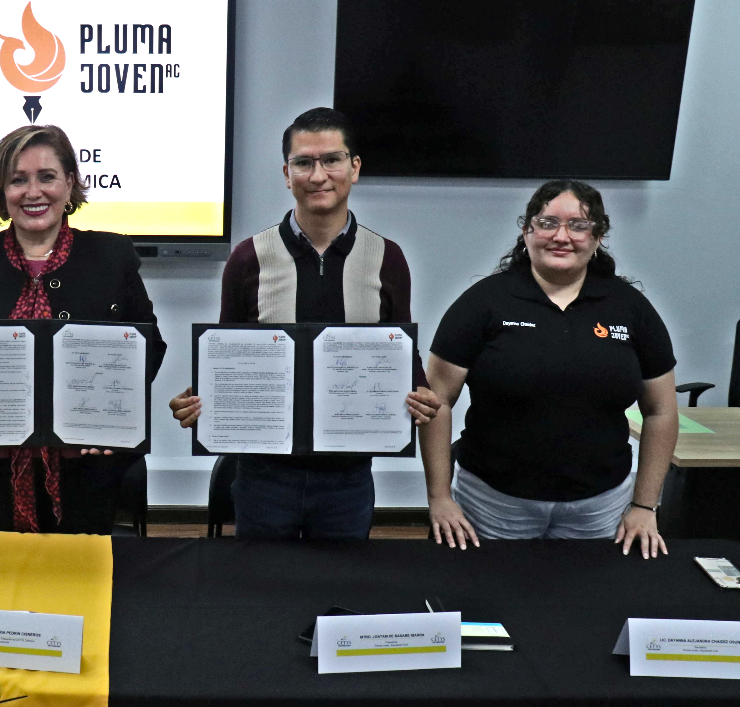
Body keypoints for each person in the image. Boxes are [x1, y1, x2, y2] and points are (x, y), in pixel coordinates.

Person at [169, 107, 440, 539]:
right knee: (261, 595)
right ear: (286, 173)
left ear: (355, 168)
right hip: (263, 478)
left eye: (332, 159)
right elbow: (224, 360)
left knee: (338, 593)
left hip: (348, 480)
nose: (318, 175)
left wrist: (420, 394)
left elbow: (402, 358)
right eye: (304, 163)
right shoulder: (247, 258)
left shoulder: (387, 257)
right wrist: (202, 402)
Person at [0, 124, 167, 533]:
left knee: (78, 582)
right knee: (0, 579)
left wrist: (116, 412)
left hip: (89, 462)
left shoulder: (111, 255)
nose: (33, 192)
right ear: (2, 191)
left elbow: (148, 345)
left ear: (70, 183)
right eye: (18, 180)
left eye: (47, 177)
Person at [421, 180, 677, 557]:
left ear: (598, 236)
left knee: (586, 606)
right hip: (493, 504)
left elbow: (661, 411)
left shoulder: (630, 308)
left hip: (600, 506)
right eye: (547, 223)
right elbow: (435, 401)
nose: (562, 236)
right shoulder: (483, 303)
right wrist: (439, 498)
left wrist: (644, 505)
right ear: (527, 230)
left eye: (578, 225)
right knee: (489, 600)